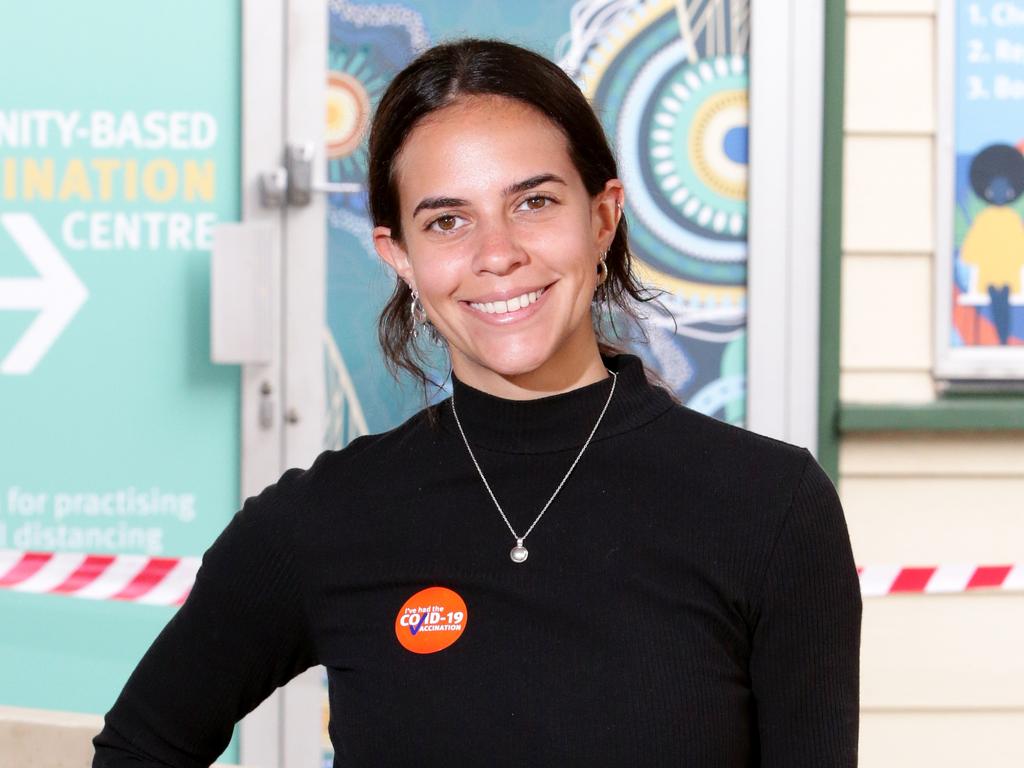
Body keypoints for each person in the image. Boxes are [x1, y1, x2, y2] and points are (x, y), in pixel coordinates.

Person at [93, 38, 861, 767]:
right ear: (399, 255)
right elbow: (139, 749)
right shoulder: (325, 520)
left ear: (602, 217)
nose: (497, 254)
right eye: (448, 220)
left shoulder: (769, 508)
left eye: (533, 203)